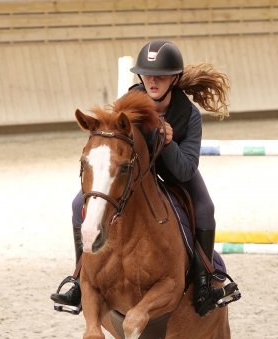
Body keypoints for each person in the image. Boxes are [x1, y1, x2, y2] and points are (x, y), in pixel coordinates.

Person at [51, 39, 239, 317]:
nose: (152, 80)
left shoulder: (188, 115)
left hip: (174, 173)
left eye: (160, 76)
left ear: (173, 79)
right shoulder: (126, 104)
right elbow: (112, 145)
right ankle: (79, 279)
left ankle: (205, 279)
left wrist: (167, 141)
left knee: (205, 208)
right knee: (78, 203)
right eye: (148, 74)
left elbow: (185, 169)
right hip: (134, 173)